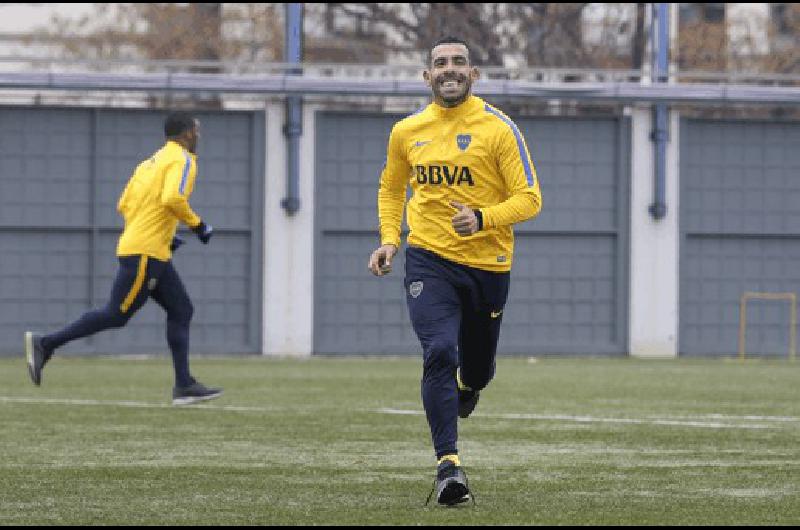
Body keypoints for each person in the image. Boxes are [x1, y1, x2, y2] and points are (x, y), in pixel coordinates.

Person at [368, 36, 543, 505]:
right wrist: (389, 240)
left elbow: (530, 199)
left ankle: (471, 386)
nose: (450, 69)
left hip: (488, 264)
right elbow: (391, 189)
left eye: (459, 62)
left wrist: (483, 218)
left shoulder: (499, 129)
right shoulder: (407, 131)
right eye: (440, 63)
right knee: (440, 350)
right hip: (429, 257)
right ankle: (450, 467)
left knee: (478, 371)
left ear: (473, 74)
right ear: (427, 76)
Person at [25, 111, 222, 406]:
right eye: (197, 130)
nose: (199, 136)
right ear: (186, 134)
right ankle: (46, 344)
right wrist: (198, 225)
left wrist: (165, 236)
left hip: (149, 248)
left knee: (182, 310)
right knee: (115, 315)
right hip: (146, 253)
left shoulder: (149, 163)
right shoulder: (183, 160)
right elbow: (172, 199)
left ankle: (184, 385)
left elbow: (125, 204)